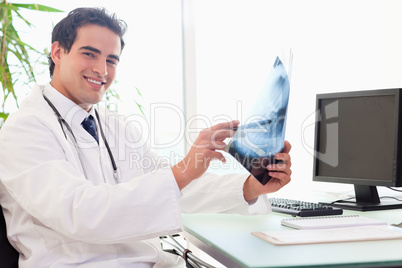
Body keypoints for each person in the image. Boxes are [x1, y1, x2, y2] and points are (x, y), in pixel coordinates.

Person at [0, 7, 292, 268]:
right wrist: (182, 171)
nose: (102, 70)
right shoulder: (24, 130)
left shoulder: (115, 125)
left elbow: (171, 189)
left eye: (111, 60)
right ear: (58, 52)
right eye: (89, 53)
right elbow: (80, 213)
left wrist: (251, 186)